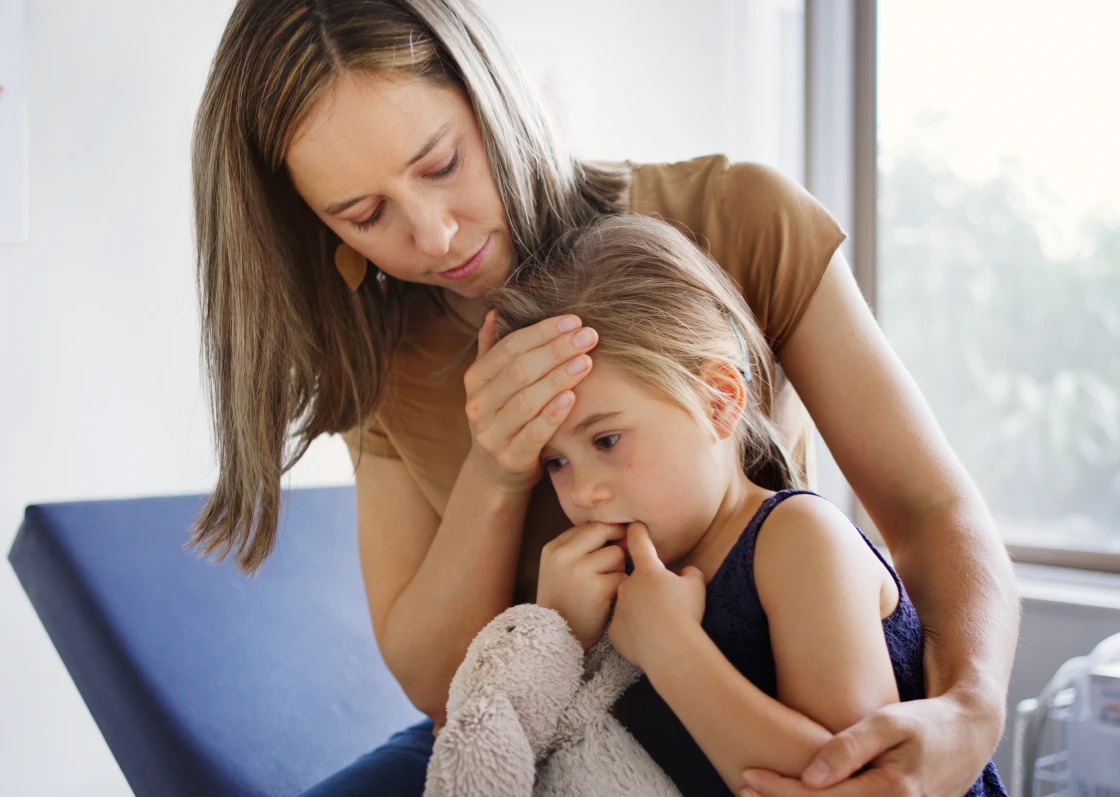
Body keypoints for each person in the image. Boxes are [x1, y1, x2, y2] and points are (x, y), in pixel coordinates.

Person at [188, 1, 1019, 795]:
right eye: (366, 215)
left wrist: (971, 709)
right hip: (543, 727)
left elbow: (930, 507)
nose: (433, 234)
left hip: (751, 700)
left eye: (442, 164)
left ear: (490, 92)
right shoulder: (380, 356)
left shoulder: (739, 219)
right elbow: (441, 691)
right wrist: (499, 469)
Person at [486, 213, 1007, 797]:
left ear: (718, 401)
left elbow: (854, 781)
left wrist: (671, 651)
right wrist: (558, 633)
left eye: (606, 440)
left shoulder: (801, 541)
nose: (582, 494)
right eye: (557, 462)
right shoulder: (626, 582)